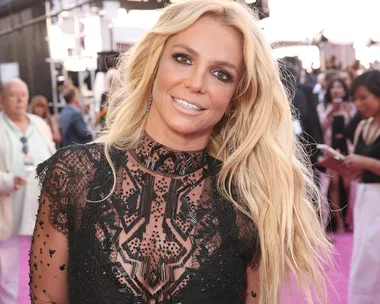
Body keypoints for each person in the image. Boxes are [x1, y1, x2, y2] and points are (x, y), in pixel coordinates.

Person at [29, 1, 332, 303]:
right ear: (155, 61)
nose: (196, 83)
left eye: (221, 74)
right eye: (183, 58)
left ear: (236, 97)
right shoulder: (74, 176)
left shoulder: (248, 203)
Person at [0, 78, 56, 304]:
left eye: (24, 94)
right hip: (9, 206)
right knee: (7, 272)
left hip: (41, 206)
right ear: (2, 99)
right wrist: (8, 181)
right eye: (14, 95)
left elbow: (54, 157)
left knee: (47, 264)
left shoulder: (39, 124)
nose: (21, 99)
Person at [345, 70, 380, 304]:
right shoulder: (363, 125)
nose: (359, 104)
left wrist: (365, 163)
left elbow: (365, 163)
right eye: (355, 99)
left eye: (364, 97)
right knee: (364, 259)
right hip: (365, 198)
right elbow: (358, 169)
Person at [317, 78, 356, 233]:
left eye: (340, 86)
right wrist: (330, 113)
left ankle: (350, 219)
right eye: (333, 87)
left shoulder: (351, 106)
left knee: (348, 185)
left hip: (347, 148)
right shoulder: (322, 106)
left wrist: (346, 112)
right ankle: (338, 222)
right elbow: (320, 127)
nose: (336, 90)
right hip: (330, 148)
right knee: (333, 185)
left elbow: (353, 128)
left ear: (345, 90)